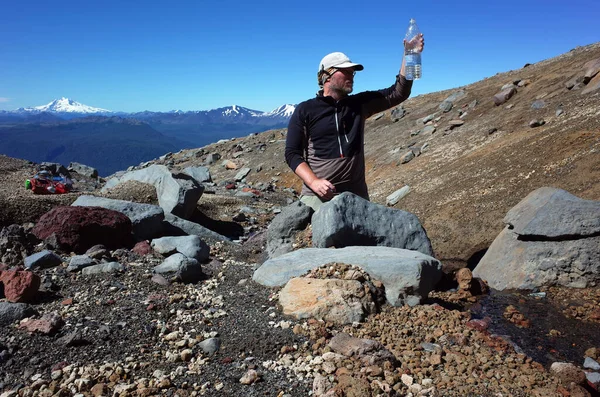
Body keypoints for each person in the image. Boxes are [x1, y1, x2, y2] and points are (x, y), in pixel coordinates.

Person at [284, 34, 425, 211]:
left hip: (356, 196)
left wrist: (410, 55)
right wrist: (314, 182)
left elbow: (399, 92)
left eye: (353, 72)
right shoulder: (305, 110)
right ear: (327, 75)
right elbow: (292, 153)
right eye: (346, 71)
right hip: (318, 197)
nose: (352, 75)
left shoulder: (359, 104)